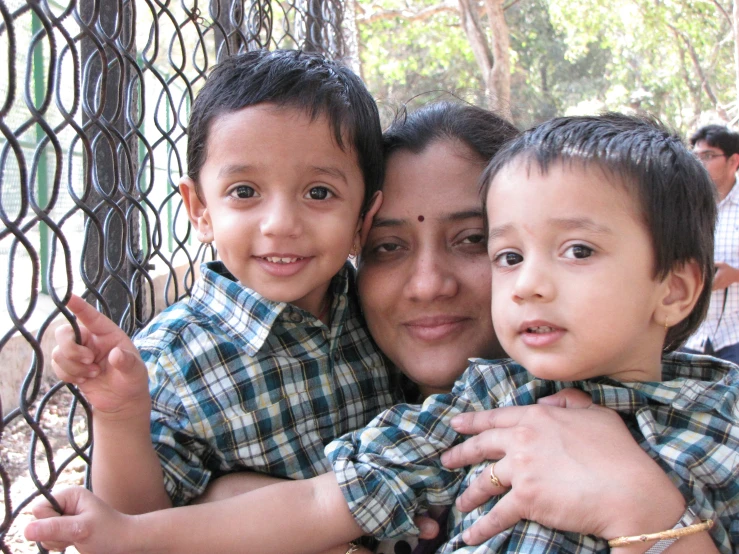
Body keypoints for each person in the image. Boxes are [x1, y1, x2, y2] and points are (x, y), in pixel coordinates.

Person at [26, 114, 737, 553]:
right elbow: (314, 503)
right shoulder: (468, 411)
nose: (527, 283)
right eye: (509, 254)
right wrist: (133, 536)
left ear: (672, 288)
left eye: (471, 239)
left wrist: (644, 512)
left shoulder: (720, 416)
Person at [48, 48, 398, 527]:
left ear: (364, 218)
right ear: (199, 209)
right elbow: (134, 528)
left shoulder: (378, 309)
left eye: (319, 192)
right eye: (245, 192)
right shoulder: (166, 364)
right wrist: (119, 415)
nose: (279, 224)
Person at [683, 124, 739, 364]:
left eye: (708, 156)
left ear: (733, 161)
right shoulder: (683, 208)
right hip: (690, 335)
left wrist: (736, 275)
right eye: (695, 157)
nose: (699, 163)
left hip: (734, 336)